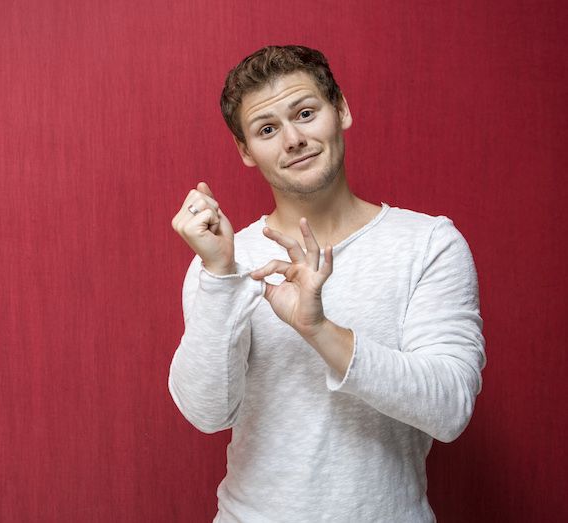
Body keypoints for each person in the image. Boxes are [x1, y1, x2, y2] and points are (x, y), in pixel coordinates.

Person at [168, 45, 486, 522]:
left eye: (306, 113)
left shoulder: (429, 244)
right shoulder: (228, 260)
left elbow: (450, 408)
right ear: (245, 151)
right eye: (267, 129)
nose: (293, 139)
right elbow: (207, 414)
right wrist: (219, 276)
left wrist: (320, 331)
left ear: (341, 110)